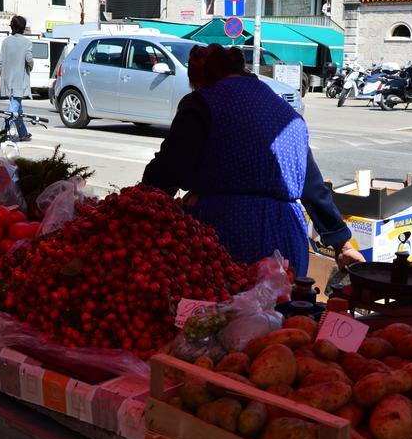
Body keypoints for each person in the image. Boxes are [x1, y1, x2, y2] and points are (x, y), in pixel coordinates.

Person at [142, 44, 364, 277]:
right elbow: (313, 188)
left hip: (228, 234)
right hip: (288, 239)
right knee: (283, 310)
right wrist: (343, 244)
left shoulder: (202, 102)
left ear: (203, 78)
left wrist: (140, 212)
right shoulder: (285, 112)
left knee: (227, 312)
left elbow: (169, 169)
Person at [0, 15, 34, 142]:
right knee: (14, 108)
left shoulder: (6, 42)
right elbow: (29, 59)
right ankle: (3, 132)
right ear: (23, 28)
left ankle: (23, 134)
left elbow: (0, 62)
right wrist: (31, 66)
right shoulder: (27, 42)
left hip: (7, 80)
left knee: (18, 107)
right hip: (19, 81)